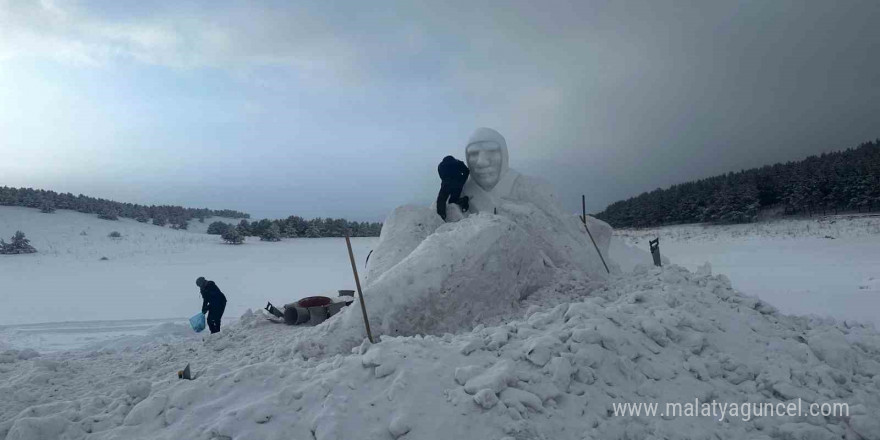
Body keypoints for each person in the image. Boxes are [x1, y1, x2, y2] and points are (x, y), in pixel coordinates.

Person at [436, 155, 470, 220]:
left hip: (446, 185)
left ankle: (441, 216)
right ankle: (464, 201)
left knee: (441, 199)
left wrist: (445, 180)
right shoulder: (458, 163)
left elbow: (441, 175)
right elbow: (466, 171)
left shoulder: (441, 165)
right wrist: (462, 180)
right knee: (453, 200)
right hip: (457, 184)